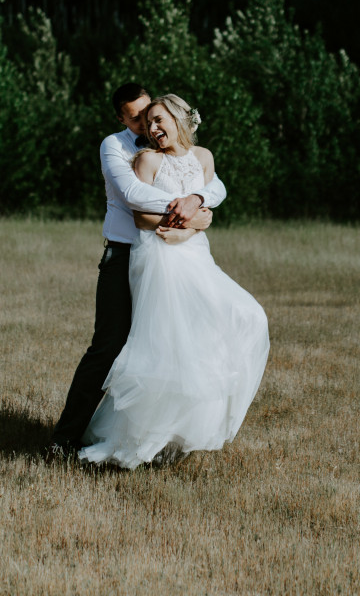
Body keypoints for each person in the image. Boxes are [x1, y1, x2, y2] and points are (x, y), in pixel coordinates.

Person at [78, 94, 270, 469]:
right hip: (160, 260)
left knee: (242, 321)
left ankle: (181, 433)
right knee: (165, 345)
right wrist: (187, 223)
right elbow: (138, 214)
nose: (152, 129)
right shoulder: (146, 159)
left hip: (198, 257)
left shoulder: (204, 158)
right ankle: (138, 439)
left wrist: (199, 216)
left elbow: (211, 200)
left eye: (158, 120)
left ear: (181, 118)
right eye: (147, 122)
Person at [47, 84, 226, 458]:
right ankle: (63, 440)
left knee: (171, 347)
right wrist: (192, 208)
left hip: (172, 260)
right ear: (121, 118)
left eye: (150, 114)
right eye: (136, 117)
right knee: (108, 349)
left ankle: (159, 440)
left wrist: (201, 198)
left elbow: (215, 183)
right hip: (125, 255)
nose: (145, 123)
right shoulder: (114, 146)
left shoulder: (175, 144)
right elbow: (133, 195)